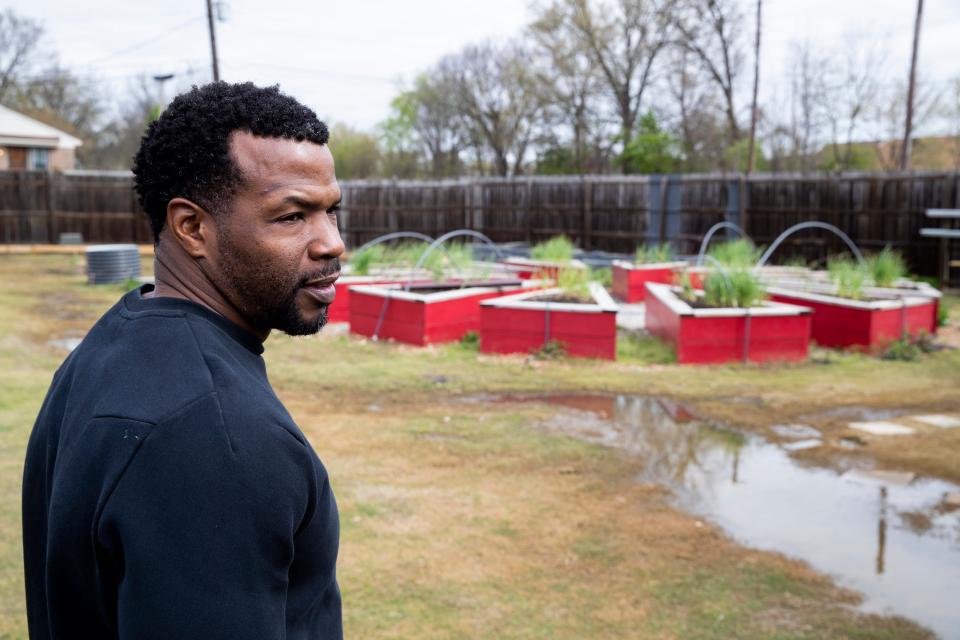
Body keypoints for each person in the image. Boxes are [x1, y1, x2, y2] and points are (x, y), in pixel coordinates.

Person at [21, 81, 345, 639]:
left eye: (331, 211)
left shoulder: (111, 345)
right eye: (293, 216)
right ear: (192, 227)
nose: (331, 242)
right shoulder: (217, 436)